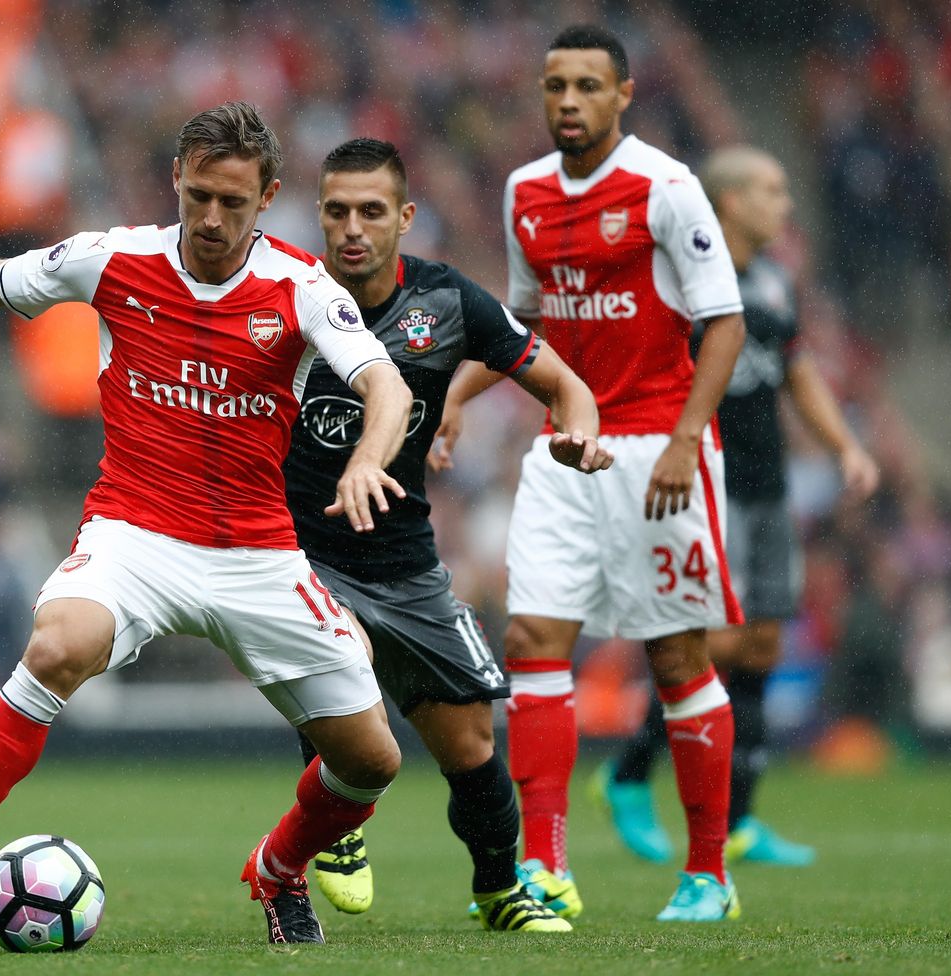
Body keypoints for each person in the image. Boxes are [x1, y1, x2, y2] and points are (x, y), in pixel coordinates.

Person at [0, 102, 416, 946]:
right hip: (136, 533)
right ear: (176, 185)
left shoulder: (301, 288)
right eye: (199, 197)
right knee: (55, 647)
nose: (213, 218)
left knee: (372, 762)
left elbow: (388, 388)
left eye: (234, 200)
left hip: (256, 553)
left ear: (268, 196)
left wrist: (371, 457)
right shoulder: (115, 258)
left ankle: (277, 867)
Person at [435, 25, 747, 922]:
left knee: (676, 654)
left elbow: (721, 321)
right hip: (564, 447)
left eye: (586, 86)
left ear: (623, 94)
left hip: (659, 450)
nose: (567, 101)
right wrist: (457, 397)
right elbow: (522, 324)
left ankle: (707, 877)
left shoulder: (667, 187)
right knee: (532, 642)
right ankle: (546, 866)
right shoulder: (523, 192)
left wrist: (689, 439)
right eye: (554, 86)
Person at [284, 139, 613, 934]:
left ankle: (500, 891)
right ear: (318, 213)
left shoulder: (446, 301)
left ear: (404, 218)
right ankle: (339, 823)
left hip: (405, 560)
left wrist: (581, 433)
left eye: (370, 211)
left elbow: (565, 385)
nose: (352, 228)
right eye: (336, 211)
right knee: (345, 672)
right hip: (298, 552)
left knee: (469, 742)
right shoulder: (286, 292)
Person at [594, 146, 880, 867]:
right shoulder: (683, 280)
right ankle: (628, 772)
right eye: (770, 191)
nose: (785, 205)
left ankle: (742, 822)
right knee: (709, 645)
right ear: (728, 203)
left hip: (766, 486)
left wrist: (844, 445)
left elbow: (798, 372)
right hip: (699, 483)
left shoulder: (776, 281)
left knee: (761, 645)